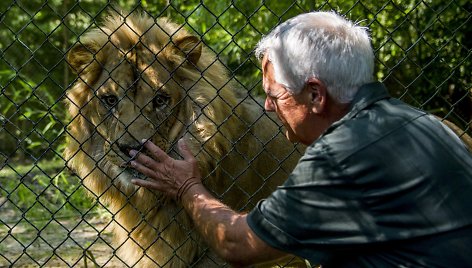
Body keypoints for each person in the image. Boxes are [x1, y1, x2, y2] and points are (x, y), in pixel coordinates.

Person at [129, 11, 472, 267]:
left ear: (315, 96)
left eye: (274, 95)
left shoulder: (338, 158)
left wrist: (187, 187)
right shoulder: (432, 127)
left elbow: (238, 244)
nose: (266, 106)